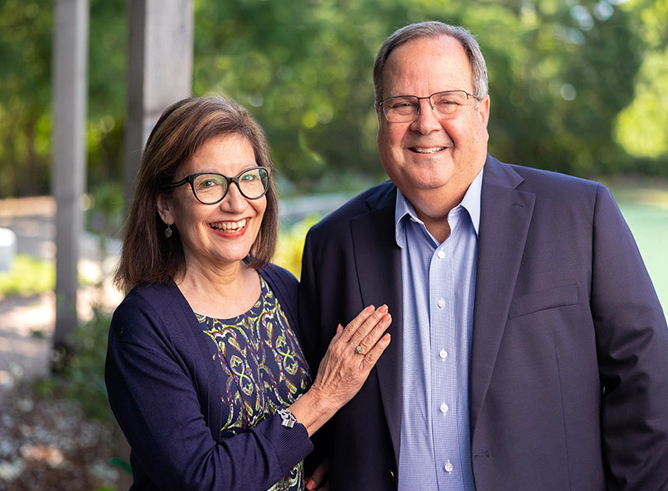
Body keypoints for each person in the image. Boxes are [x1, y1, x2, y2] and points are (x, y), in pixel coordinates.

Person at [298, 21, 668, 491]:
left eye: (447, 101)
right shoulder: (331, 245)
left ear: (483, 111)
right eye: (402, 104)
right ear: (379, 116)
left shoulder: (580, 215)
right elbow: (318, 404)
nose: (425, 123)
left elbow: (647, 384)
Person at [105, 94, 392, 491]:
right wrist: (322, 399)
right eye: (208, 183)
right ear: (165, 205)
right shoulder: (143, 327)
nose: (236, 203)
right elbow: (202, 480)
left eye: (249, 178)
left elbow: (316, 439)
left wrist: (331, 463)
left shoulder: (282, 287)